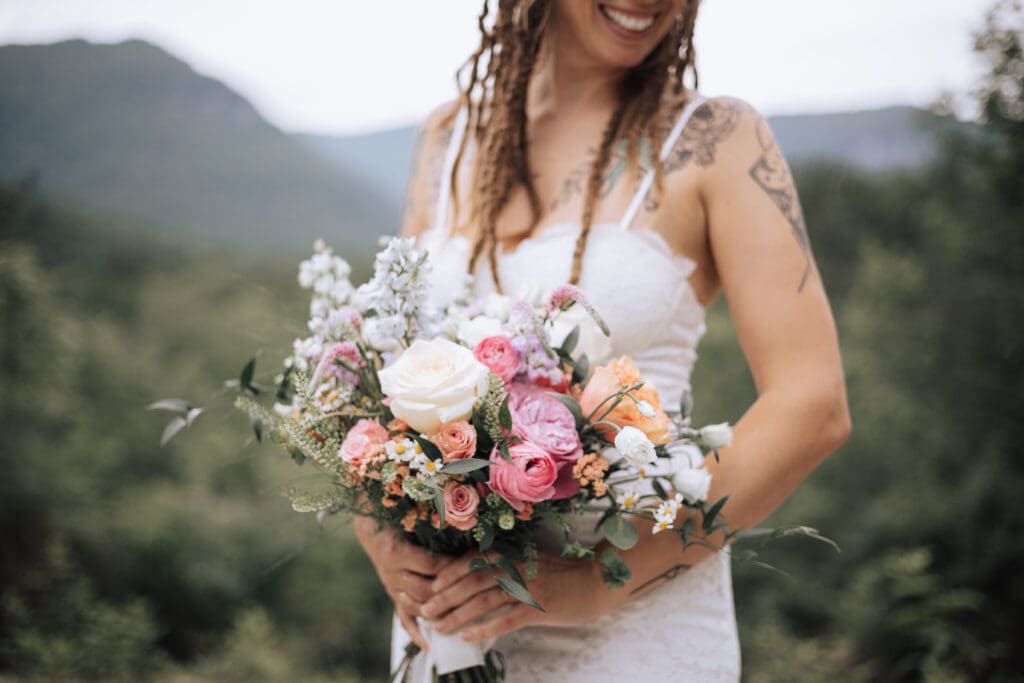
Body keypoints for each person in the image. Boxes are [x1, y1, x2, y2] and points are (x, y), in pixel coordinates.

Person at [355, 1, 851, 680]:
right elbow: (388, 362)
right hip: (447, 626)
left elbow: (812, 403)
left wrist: (593, 584)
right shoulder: (447, 138)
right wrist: (383, 538)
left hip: (635, 635)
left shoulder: (716, 139)